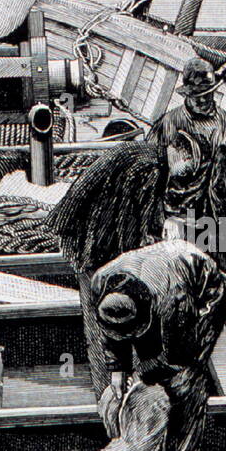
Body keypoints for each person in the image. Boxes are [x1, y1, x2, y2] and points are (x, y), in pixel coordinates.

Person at [89, 238, 226, 451]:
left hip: (202, 290)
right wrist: (118, 371)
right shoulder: (100, 282)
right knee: (153, 367)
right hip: (160, 279)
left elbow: (177, 356)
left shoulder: (174, 301)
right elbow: (112, 336)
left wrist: (150, 374)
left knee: (186, 380)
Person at [48, 141, 167, 397]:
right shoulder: (151, 168)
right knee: (109, 322)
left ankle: (111, 392)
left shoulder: (141, 153)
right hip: (99, 250)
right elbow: (130, 231)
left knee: (102, 322)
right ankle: (113, 400)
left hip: (89, 242)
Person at [147, 56, 226, 270]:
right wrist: (157, 221)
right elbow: (151, 175)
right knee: (182, 277)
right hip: (180, 218)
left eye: (207, 94)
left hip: (223, 217)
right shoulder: (168, 123)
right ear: (187, 93)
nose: (202, 100)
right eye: (196, 95)